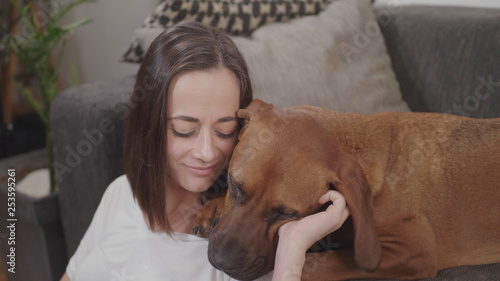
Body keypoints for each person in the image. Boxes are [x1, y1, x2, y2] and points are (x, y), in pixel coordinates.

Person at [60, 21, 349, 281]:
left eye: (225, 131)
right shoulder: (122, 192)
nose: (207, 152)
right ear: (149, 124)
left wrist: (292, 246)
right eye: (185, 130)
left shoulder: (237, 248)